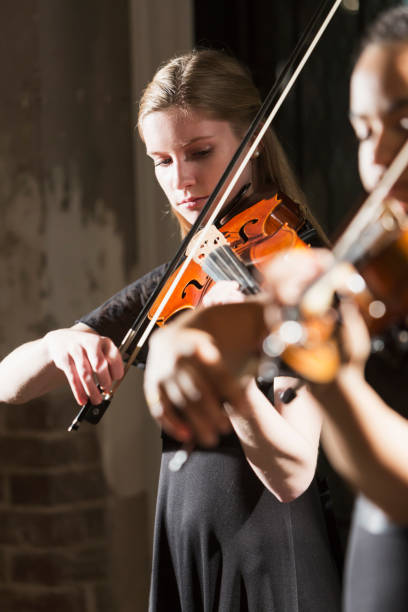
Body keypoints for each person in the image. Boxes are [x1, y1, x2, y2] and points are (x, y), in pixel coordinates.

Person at [0, 50, 342, 610]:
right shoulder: (178, 281)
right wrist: (58, 342)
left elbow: (294, 473)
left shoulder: (302, 278)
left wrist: (224, 371)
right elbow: (7, 383)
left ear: (252, 146)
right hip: (185, 550)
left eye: (200, 153)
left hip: (273, 561)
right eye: (161, 160)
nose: (180, 181)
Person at [143, 7, 408, 612]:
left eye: (406, 124)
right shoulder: (375, 269)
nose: (378, 163)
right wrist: (189, 339)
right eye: (365, 132)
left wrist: (323, 375)